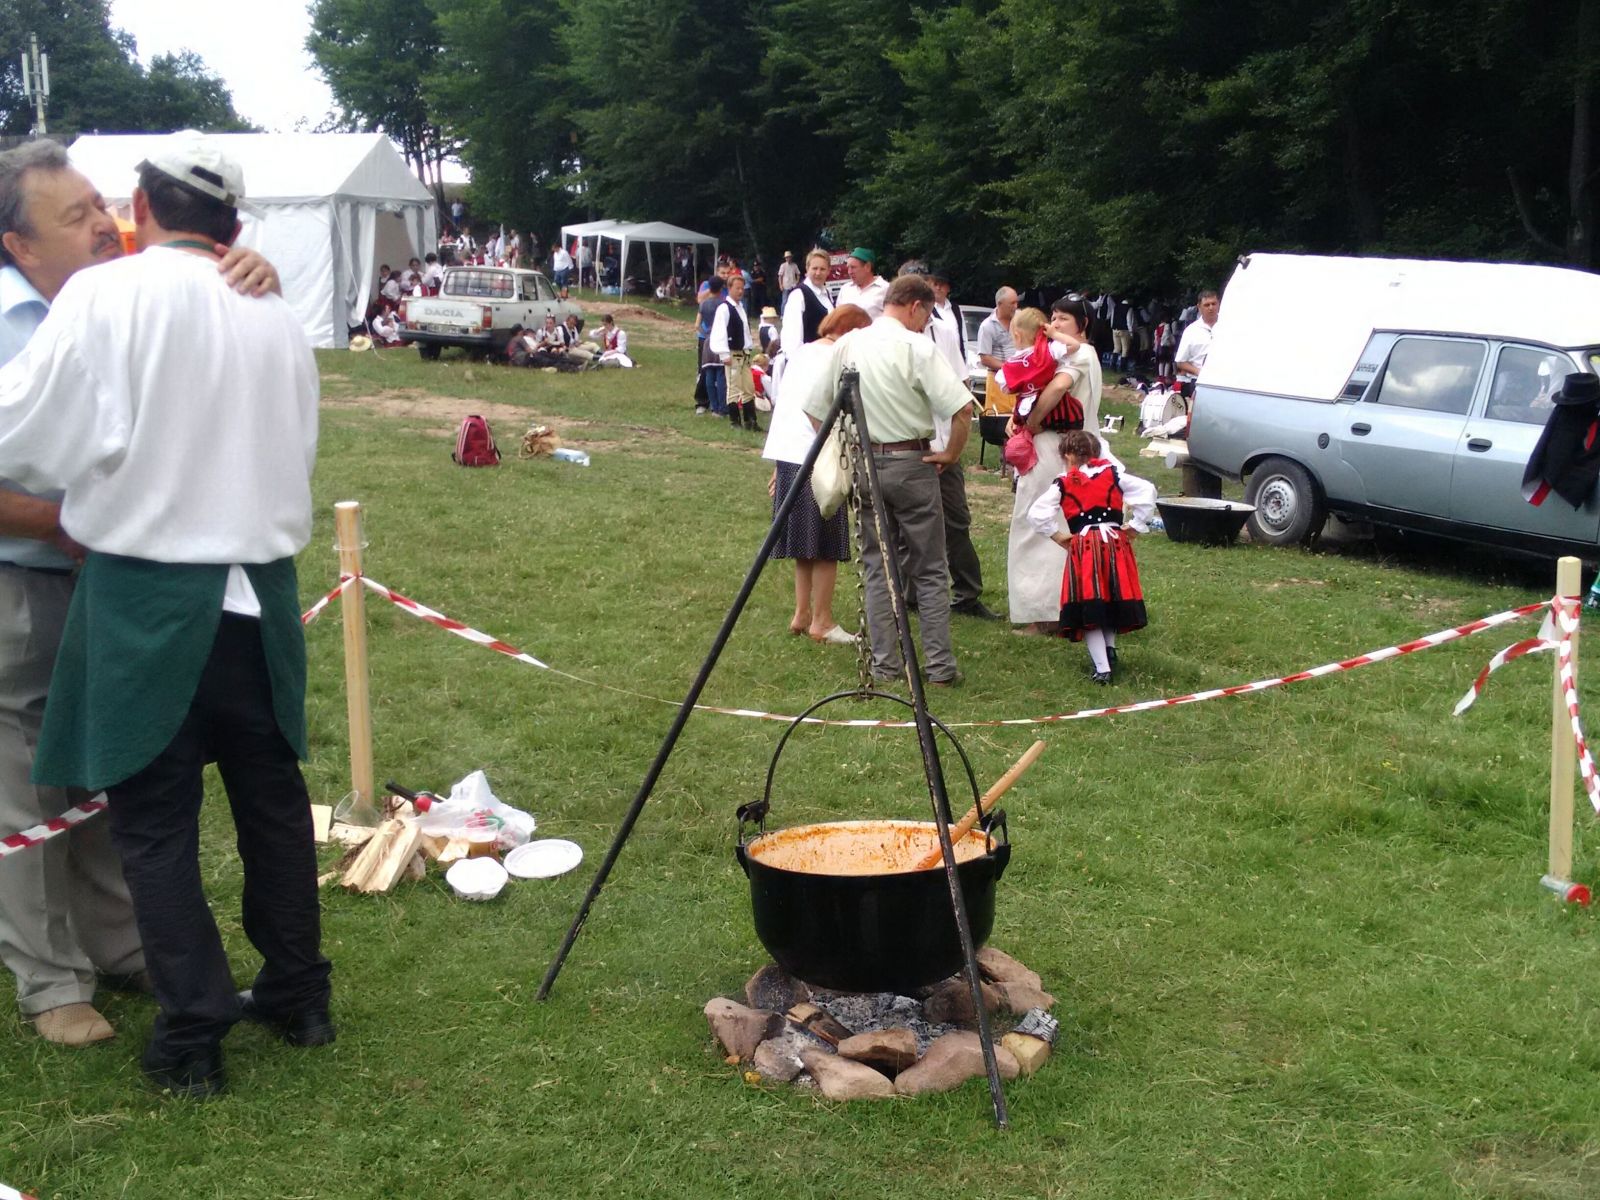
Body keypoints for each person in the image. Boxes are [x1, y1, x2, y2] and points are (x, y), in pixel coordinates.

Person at [0, 131, 331, 1099]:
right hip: (259, 590)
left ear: (142, 210)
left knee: (155, 824)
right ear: (234, 223)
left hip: (149, 590)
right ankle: (299, 995)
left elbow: (25, 435)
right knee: (270, 809)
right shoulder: (273, 308)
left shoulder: (110, 293)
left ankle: (193, 1032)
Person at [799, 274, 971, 686]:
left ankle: (885, 664)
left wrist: (847, 441)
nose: (924, 323)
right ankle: (940, 667)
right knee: (928, 569)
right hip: (913, 462)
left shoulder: (848, 344)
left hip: (864, 464)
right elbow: (962, 409)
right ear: (915, 306)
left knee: (878, 568)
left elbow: (813, 409)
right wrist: (950, 454)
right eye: (926, 315)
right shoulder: (917, 346)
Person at [763, 304, 872, 647]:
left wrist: (778, 465)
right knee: (826, 543)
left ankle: (801, 613)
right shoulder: (838, 358)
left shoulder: (801, 353)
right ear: (854, 332)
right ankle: (821, 620)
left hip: (789, 454)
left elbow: (783, 405)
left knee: (803, 544)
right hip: (819, 457)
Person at [1002, 297, 1101, 636]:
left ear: (1082, 325)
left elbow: (1058, 387)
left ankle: (1046, 614)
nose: (1054, 325)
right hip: (1069, 448)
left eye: (1063, 320)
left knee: (1038, 523)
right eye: (1053, 318)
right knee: (1060, 525)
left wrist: (1030, 423)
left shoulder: (1079, 354)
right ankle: (1063, 610)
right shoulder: (1072, 353)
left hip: (1056, 447)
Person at [1026, 429, 1155, 683]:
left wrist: (1058, 535)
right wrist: (1136, 526)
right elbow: (1147, 491)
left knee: (1090, 605)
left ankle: (1102, 668)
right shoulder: (1113, 474)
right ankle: (1109, 652)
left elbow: (1037, 514)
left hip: (1085, 548)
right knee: (1108, 600)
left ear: (1068, 455)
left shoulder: (1064, 481)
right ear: (1095, 453)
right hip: (1115, 545)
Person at [922, 266, 996, 620]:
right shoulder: (885, 335)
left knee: (956, 519)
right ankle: (908, 595)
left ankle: (967, 593)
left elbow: (962, 386)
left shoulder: (944, 331)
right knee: (908, 525)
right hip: (906, 444)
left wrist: (954, 446)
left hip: (944, 442)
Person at [709, 271, 758, 431]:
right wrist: (724, 354)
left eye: (742, 288)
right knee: (733, 387)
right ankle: (735, 421)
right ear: (729, 288)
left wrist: (749, 347)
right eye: (737, 288)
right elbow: (720, 331)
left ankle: (751, 421)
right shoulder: (724, 308)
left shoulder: (740, 308)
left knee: (748, 387)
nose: (740, 291)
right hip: (732, 352)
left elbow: (744, 331)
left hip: (743, 353)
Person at [781, 249, 834, 354]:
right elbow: (792, 338)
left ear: (828, 270)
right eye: (814, 268)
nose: (818, 273)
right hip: (808, 361)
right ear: (807, 268)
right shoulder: (798, 295)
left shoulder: (827, 294)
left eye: (822, 269)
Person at [976, 286, 1018, 415]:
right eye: (1012, 303)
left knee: (1021, 416)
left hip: (1020, 377)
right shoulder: (987, 326)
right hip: (998, 379)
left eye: (1017, 302)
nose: (1016, 306)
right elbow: (985, 358)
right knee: (1000, 418)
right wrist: (1008, 367)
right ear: (1000, 304)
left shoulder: (1020, 319)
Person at [1174, 288, 1220, 395]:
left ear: (1219, 304)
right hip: (1199, 383)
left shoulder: (1229, 327)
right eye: (1207, 305)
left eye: (1214, 304)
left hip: (1224, 382)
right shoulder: (1191, 331)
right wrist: (1199, 372)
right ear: (1199, 307)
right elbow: (1180, 362)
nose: (1211, 308)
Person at [695, 275, 727, 415]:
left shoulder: (704, 304)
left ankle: (711, 405)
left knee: (708, 372)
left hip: (707, 339)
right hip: (719, 339)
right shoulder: (723, 304)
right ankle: (721, 407)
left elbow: (696, 325)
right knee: (720, 373)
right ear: (721, 288)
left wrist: (706, 333)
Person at [836, 247, 889, 319]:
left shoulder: (886, 289)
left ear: (867, 267)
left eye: (853, 267)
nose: (849, 272)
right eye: (848, 267)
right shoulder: (845, 289)